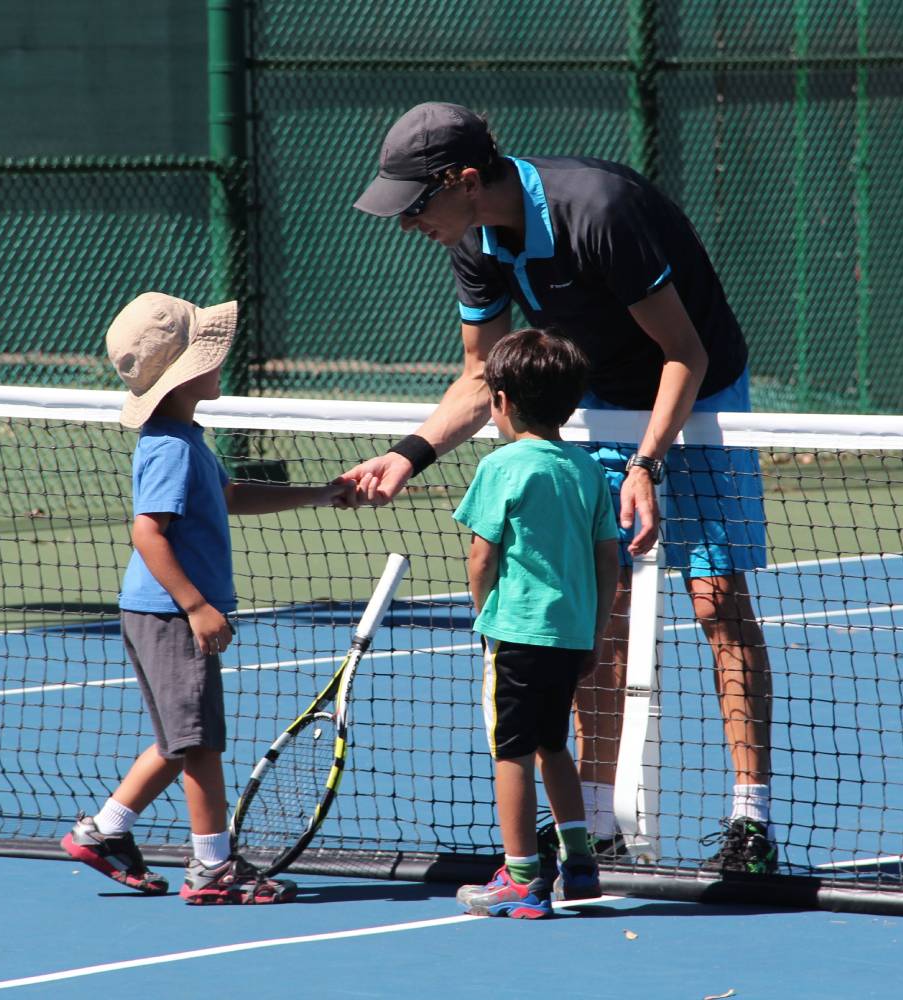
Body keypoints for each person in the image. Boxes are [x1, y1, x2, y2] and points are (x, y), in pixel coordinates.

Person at [346, 102, 778, 874]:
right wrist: (408, 454)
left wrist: (646, 464)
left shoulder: (597, 212)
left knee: (715, 598)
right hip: (605, 397)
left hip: (700, 386)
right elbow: (482, 374)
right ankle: (600, 816)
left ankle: (751, 818)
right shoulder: (474, 240)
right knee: (598, 608)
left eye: (417, 204)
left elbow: (685, 351)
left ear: (466, 180)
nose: (409, 223)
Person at [62, 291, 353, 903]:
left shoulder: (186, 438)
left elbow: (228, 495)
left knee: (177, 738)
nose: (222, 361)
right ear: (185, 373)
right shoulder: (169, 446)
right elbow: (147, 531)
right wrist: (196, 605)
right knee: (199, 743)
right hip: (170, 614)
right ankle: (212, 868)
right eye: (209, 353)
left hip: (154, 612)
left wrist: (320, 495)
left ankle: (103, 831)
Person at [451, 327, 620, 919]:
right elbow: (609, 563)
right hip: (571, 637)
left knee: (511, 754)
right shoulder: (589, 471)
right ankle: (579, 864)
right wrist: (595, 634)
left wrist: (485, 616)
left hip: (518, 636)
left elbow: (481, 556)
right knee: (554, 745)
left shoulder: (502, 467)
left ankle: (522, 877)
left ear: (500, 400)